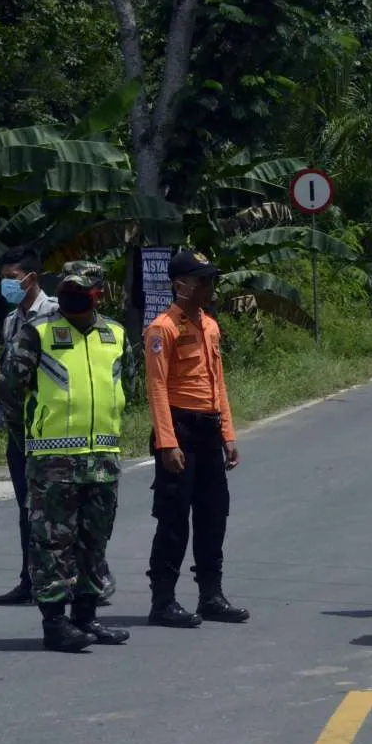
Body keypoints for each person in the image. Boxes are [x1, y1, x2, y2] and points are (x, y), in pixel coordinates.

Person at [0, 261, 131, 652]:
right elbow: (9, 393)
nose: (74, 293)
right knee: (52, 544)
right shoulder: (37, 334)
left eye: (82, 288)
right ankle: (55, 624)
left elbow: (125, 384)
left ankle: (86, 619)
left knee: (94, 542)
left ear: (98, 293)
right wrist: (27, 440)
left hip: (103, 457)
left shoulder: (116, 335)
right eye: (68, 286)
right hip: (53, 461)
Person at [143, 248, 248, 628]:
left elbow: (218, 384)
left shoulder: (210, 326)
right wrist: (168, 443)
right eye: (202, 279)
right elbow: (155, 389)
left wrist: (228, 434)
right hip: (179, 431)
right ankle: (163, 601)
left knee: (213, 514)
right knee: (173, 519)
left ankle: (211, 596)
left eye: (210, 279)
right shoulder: (162, 330)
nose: (209, 286)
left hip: (208, 430)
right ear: (181, 284)